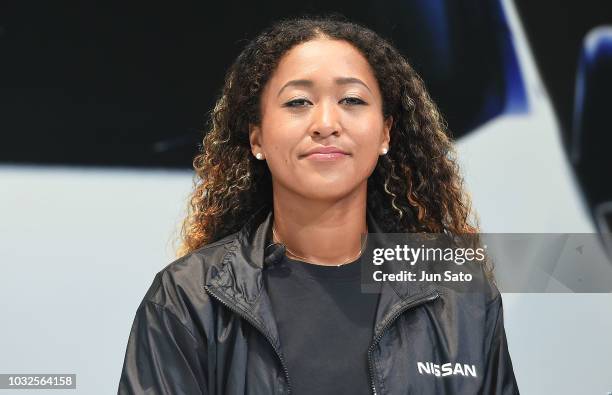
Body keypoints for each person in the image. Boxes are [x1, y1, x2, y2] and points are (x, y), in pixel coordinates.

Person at [118, 15, 519, 394]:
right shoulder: (188, 297)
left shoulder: (458, 293)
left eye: (351, 100)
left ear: (385, 133)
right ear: (256, 138)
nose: (326, 123)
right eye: (298, 103)